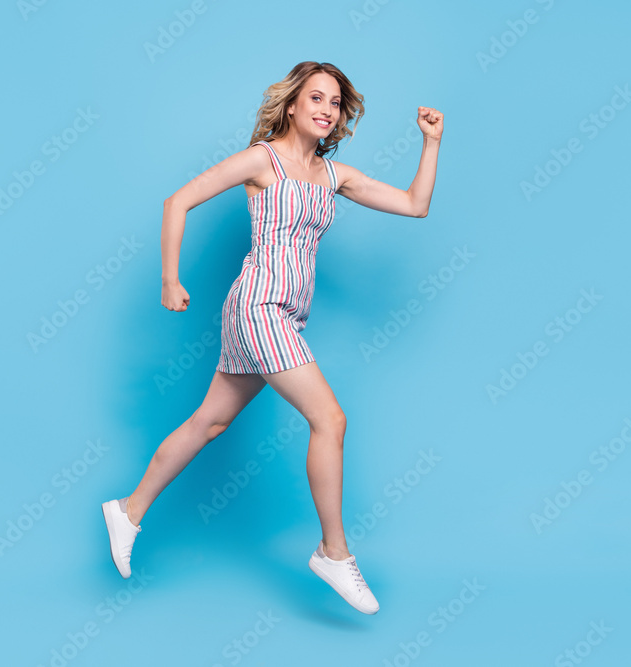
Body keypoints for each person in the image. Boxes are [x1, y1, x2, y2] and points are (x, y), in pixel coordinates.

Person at [102, 61, 443, 615]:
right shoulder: (264, 160)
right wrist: (170, 277)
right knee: (329, 420)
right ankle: (334, 552)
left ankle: (128, 509)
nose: (326, 110)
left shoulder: (336, 177)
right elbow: (178, 201)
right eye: (316, 98)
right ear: (291, 105)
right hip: (259, 309)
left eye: (335, 102)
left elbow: (414, 204)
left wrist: (430, 144)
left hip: (287, 314)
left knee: (208, 423)